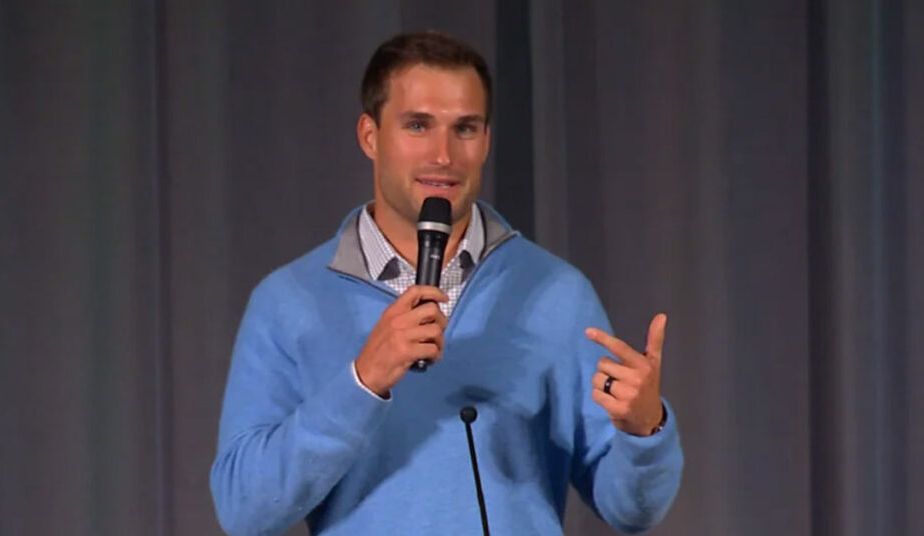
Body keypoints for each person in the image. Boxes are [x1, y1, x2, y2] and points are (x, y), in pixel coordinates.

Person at [210, 31, 683, 535]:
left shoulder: (555, 293)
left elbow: (631, 511)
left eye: (465, 128)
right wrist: (362, 381)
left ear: (486, 141)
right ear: (370, 136)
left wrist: (645, 431)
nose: (443, 155)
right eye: (418, 126)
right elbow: (244, 510)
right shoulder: (289, 302)